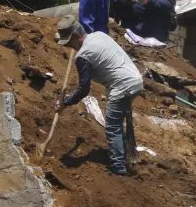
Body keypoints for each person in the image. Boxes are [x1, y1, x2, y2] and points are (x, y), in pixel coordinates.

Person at [53, 16, 144, 176]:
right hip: (134, 79)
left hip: (122, 85)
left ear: (75, 37)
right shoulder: (99, 35)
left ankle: (118, 167)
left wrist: (65, 103)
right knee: (116, 123)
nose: (69, 46)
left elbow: (84, 89)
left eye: (68, 42)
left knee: (112, 126)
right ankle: (124, 158)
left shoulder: (83, 56)